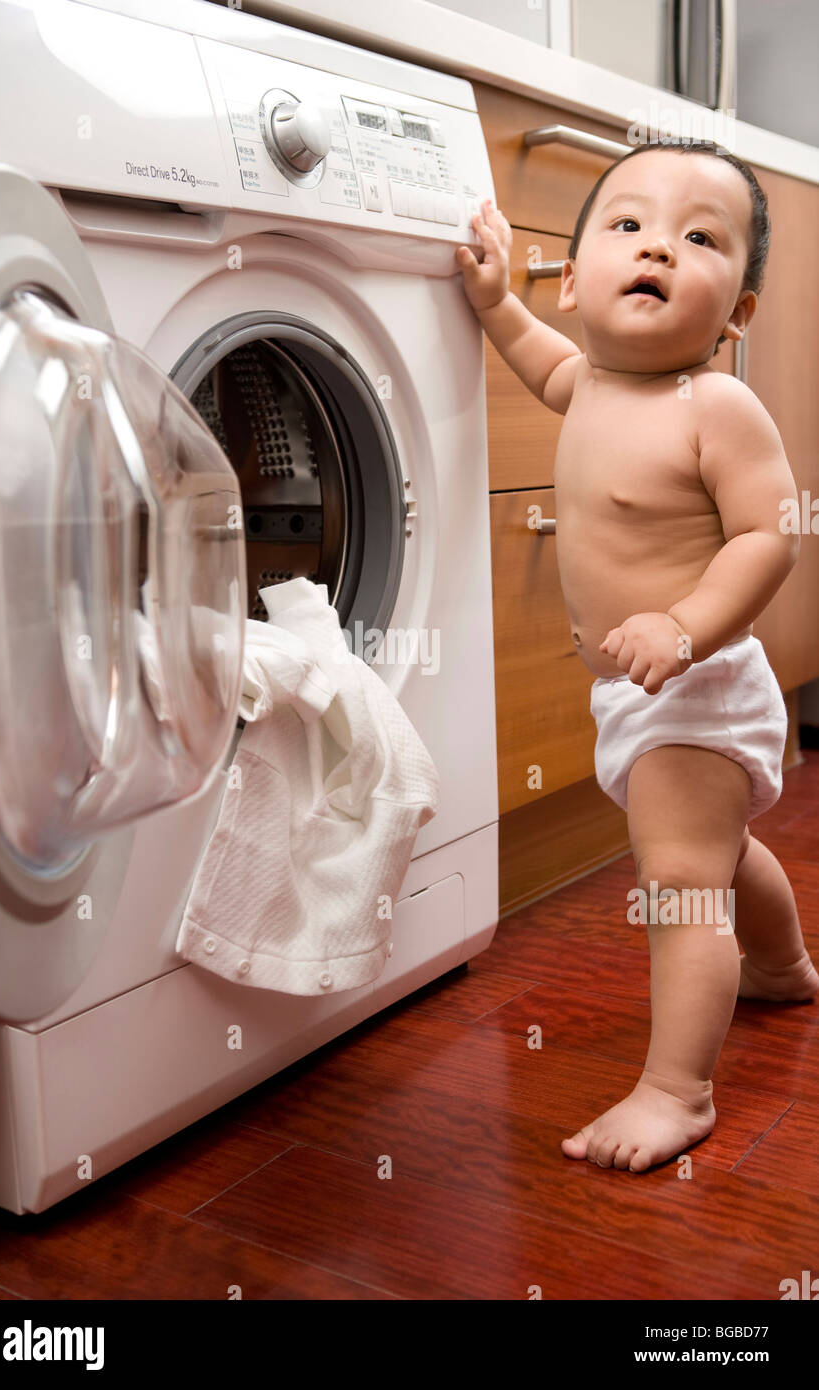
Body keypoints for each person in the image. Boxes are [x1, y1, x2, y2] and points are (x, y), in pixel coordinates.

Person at [455, 139, 819, 1173]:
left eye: (698, 238)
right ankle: (781, 965)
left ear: (736, 315)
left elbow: (767, 534)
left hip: (695, 683)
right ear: (570, 282)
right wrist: (492, 305)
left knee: (676, 883)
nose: (657, 243)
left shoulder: (715, 407)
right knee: (716, 855)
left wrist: (682, 625)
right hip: (635, 695)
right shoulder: (587, 381)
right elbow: (537, 358)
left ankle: (676, 1089)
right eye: (626, 225)